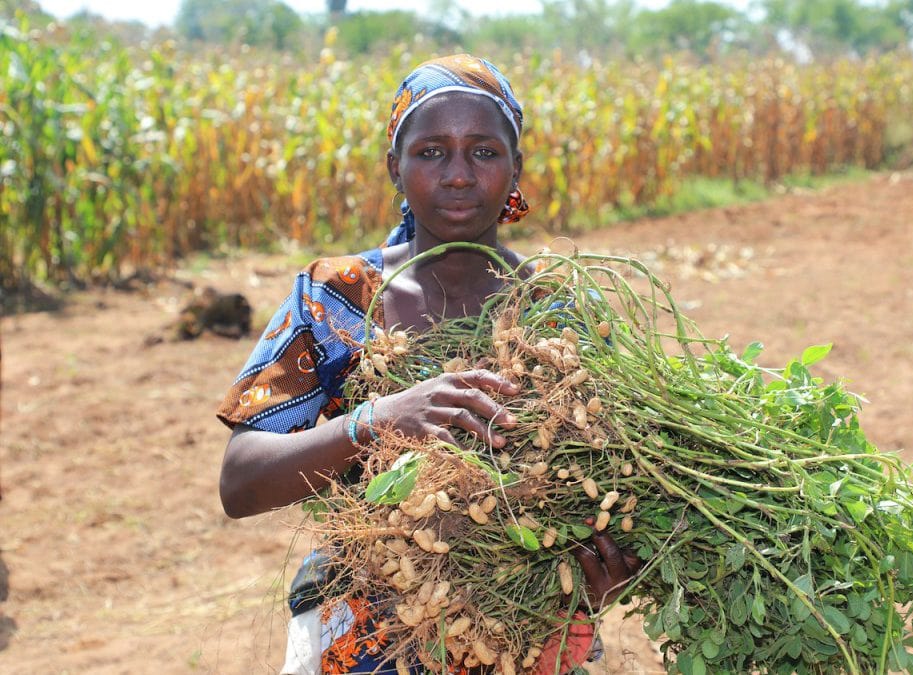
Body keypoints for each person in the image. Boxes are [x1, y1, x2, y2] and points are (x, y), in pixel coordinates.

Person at [217, 54, 640, 674]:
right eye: (433, 152)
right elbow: (241, 483)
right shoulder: (338, 296)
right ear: (397, 167)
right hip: (369, 636)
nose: (460, 176)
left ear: (516, 167)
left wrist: (607, 572)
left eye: (485, 152)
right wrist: (376, 420)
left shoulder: (564, 313)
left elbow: (622, 485)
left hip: (530, 626)